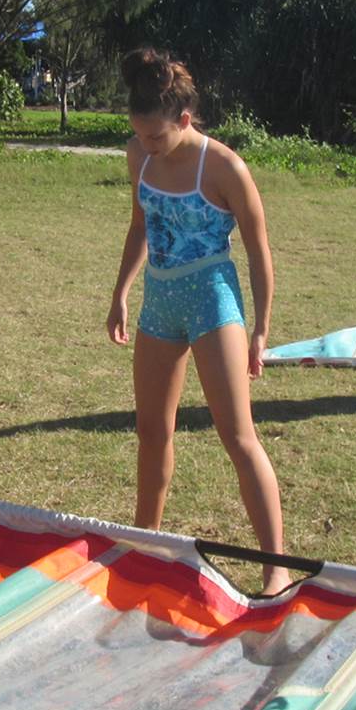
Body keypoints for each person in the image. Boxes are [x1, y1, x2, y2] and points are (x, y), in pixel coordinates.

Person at [105, 47, 289, 594]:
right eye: (139, 134)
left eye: (156, 136)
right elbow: (140, 224)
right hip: (160, 301)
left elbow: (258, 251)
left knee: (238, 436)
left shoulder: (226, 167)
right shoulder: (138, 155)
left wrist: (261, 328)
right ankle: (146, 542)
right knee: (151, 431)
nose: (147, 145)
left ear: (184, 119)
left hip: (212, 301)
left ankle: (276, 567)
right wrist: (121, 292)